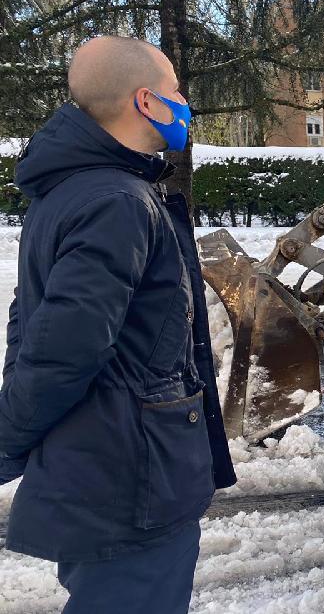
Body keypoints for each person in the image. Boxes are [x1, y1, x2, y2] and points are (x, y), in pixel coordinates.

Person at [0, 36, 235, 613]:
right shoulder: (117, 201)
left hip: (106, 465)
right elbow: (62, 347)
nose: (184, 103)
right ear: (146, 102)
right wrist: (7, 442)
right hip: (132, 478)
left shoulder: (77, 188)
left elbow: (26, 319)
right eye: (175, 90)